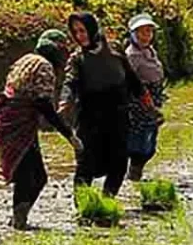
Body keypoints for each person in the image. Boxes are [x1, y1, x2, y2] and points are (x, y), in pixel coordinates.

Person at [0, 30, 83, 230]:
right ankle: (19, 221)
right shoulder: (44, 67)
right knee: (31, 177)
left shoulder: (26, 60)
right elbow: (44, 105)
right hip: (19, 127)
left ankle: (18, 218)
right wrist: (69, 135)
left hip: (9, 124)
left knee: (33, 176)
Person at [59, 12, 152, 199]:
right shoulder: (77, 59)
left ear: (92, 29)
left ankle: (107, 202)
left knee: (119, 163)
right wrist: (65, 101)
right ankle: (83, 205)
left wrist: (145, 98)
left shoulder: (115, 49)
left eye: (83, 30)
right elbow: (70, 82)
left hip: (118, 116)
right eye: (75, 32)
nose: (79, 36)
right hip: (90, 119)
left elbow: (131, 77)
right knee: (86, 164)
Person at [125, 13, 166, 182]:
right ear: (133, 34)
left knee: (150, 142)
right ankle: (132, 176)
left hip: (153, 99)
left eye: (149, 31)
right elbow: (128, 82)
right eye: (142, 32)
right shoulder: (132, 55)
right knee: (140, 144)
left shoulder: (150, 51)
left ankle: (134, 175)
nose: (146, 35)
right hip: (139, 104)